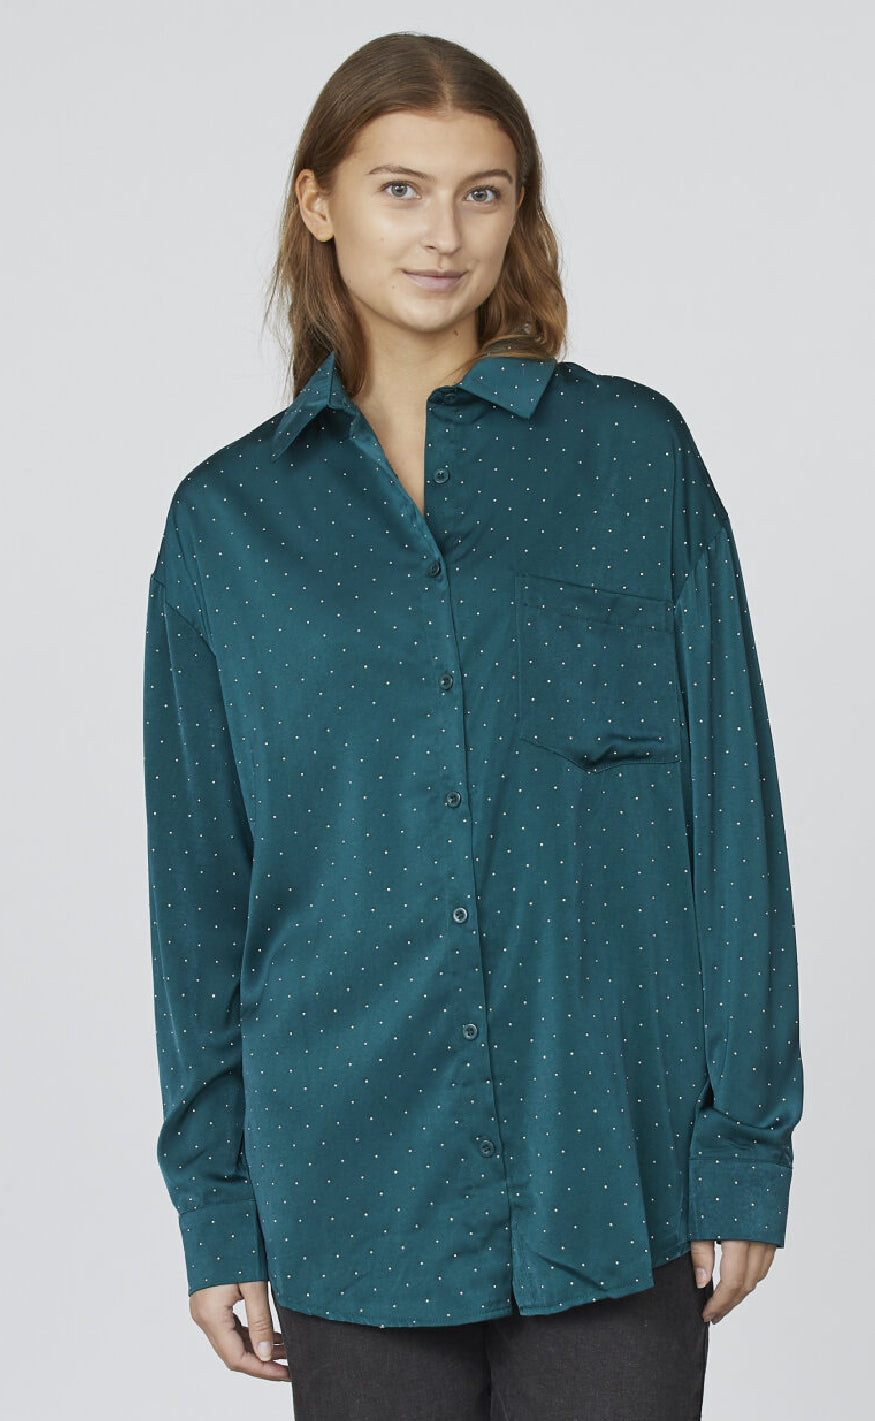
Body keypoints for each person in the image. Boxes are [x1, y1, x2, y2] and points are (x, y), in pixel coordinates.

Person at [142, 31, 804, 1421]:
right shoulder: (227, 525)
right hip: (347, 1187)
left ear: (518, 212)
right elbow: (201, 890)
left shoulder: (635, 459)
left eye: (482, 192)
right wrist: (216, 1203)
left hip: (611, 1176)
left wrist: (744, 1150)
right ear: (320, 202)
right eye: (401, 189)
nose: (443, 234)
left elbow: (733, 817)